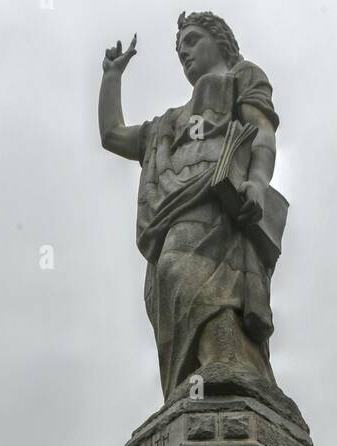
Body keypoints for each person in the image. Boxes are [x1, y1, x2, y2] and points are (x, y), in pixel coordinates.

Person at [98, 12, 282, 398]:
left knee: (190, 274)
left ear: (221, 42)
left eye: (193, 40)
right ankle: (198, 379)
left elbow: (262, 132)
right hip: (170, 211)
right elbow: (113, 135)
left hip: (217, 198)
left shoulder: (241, 77)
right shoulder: (167, 123)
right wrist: (112, 77)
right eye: (179, 47)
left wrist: (258, 183)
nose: (184, 51)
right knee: (167, 281)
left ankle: (227, 364)